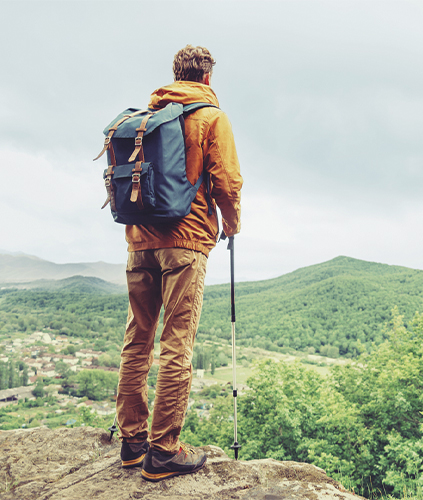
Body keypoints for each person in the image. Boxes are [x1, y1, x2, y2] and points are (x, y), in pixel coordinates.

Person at [115, 45, 243, 481]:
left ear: (175, 74)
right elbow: (226, 179)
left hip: (138, 240)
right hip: (184, 242)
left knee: (138, 340)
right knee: (177, 343)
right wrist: (232, 224)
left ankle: (132, 443)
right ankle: (164, 449)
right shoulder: (211, 116)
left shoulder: (148, 118)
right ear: (207, 78)